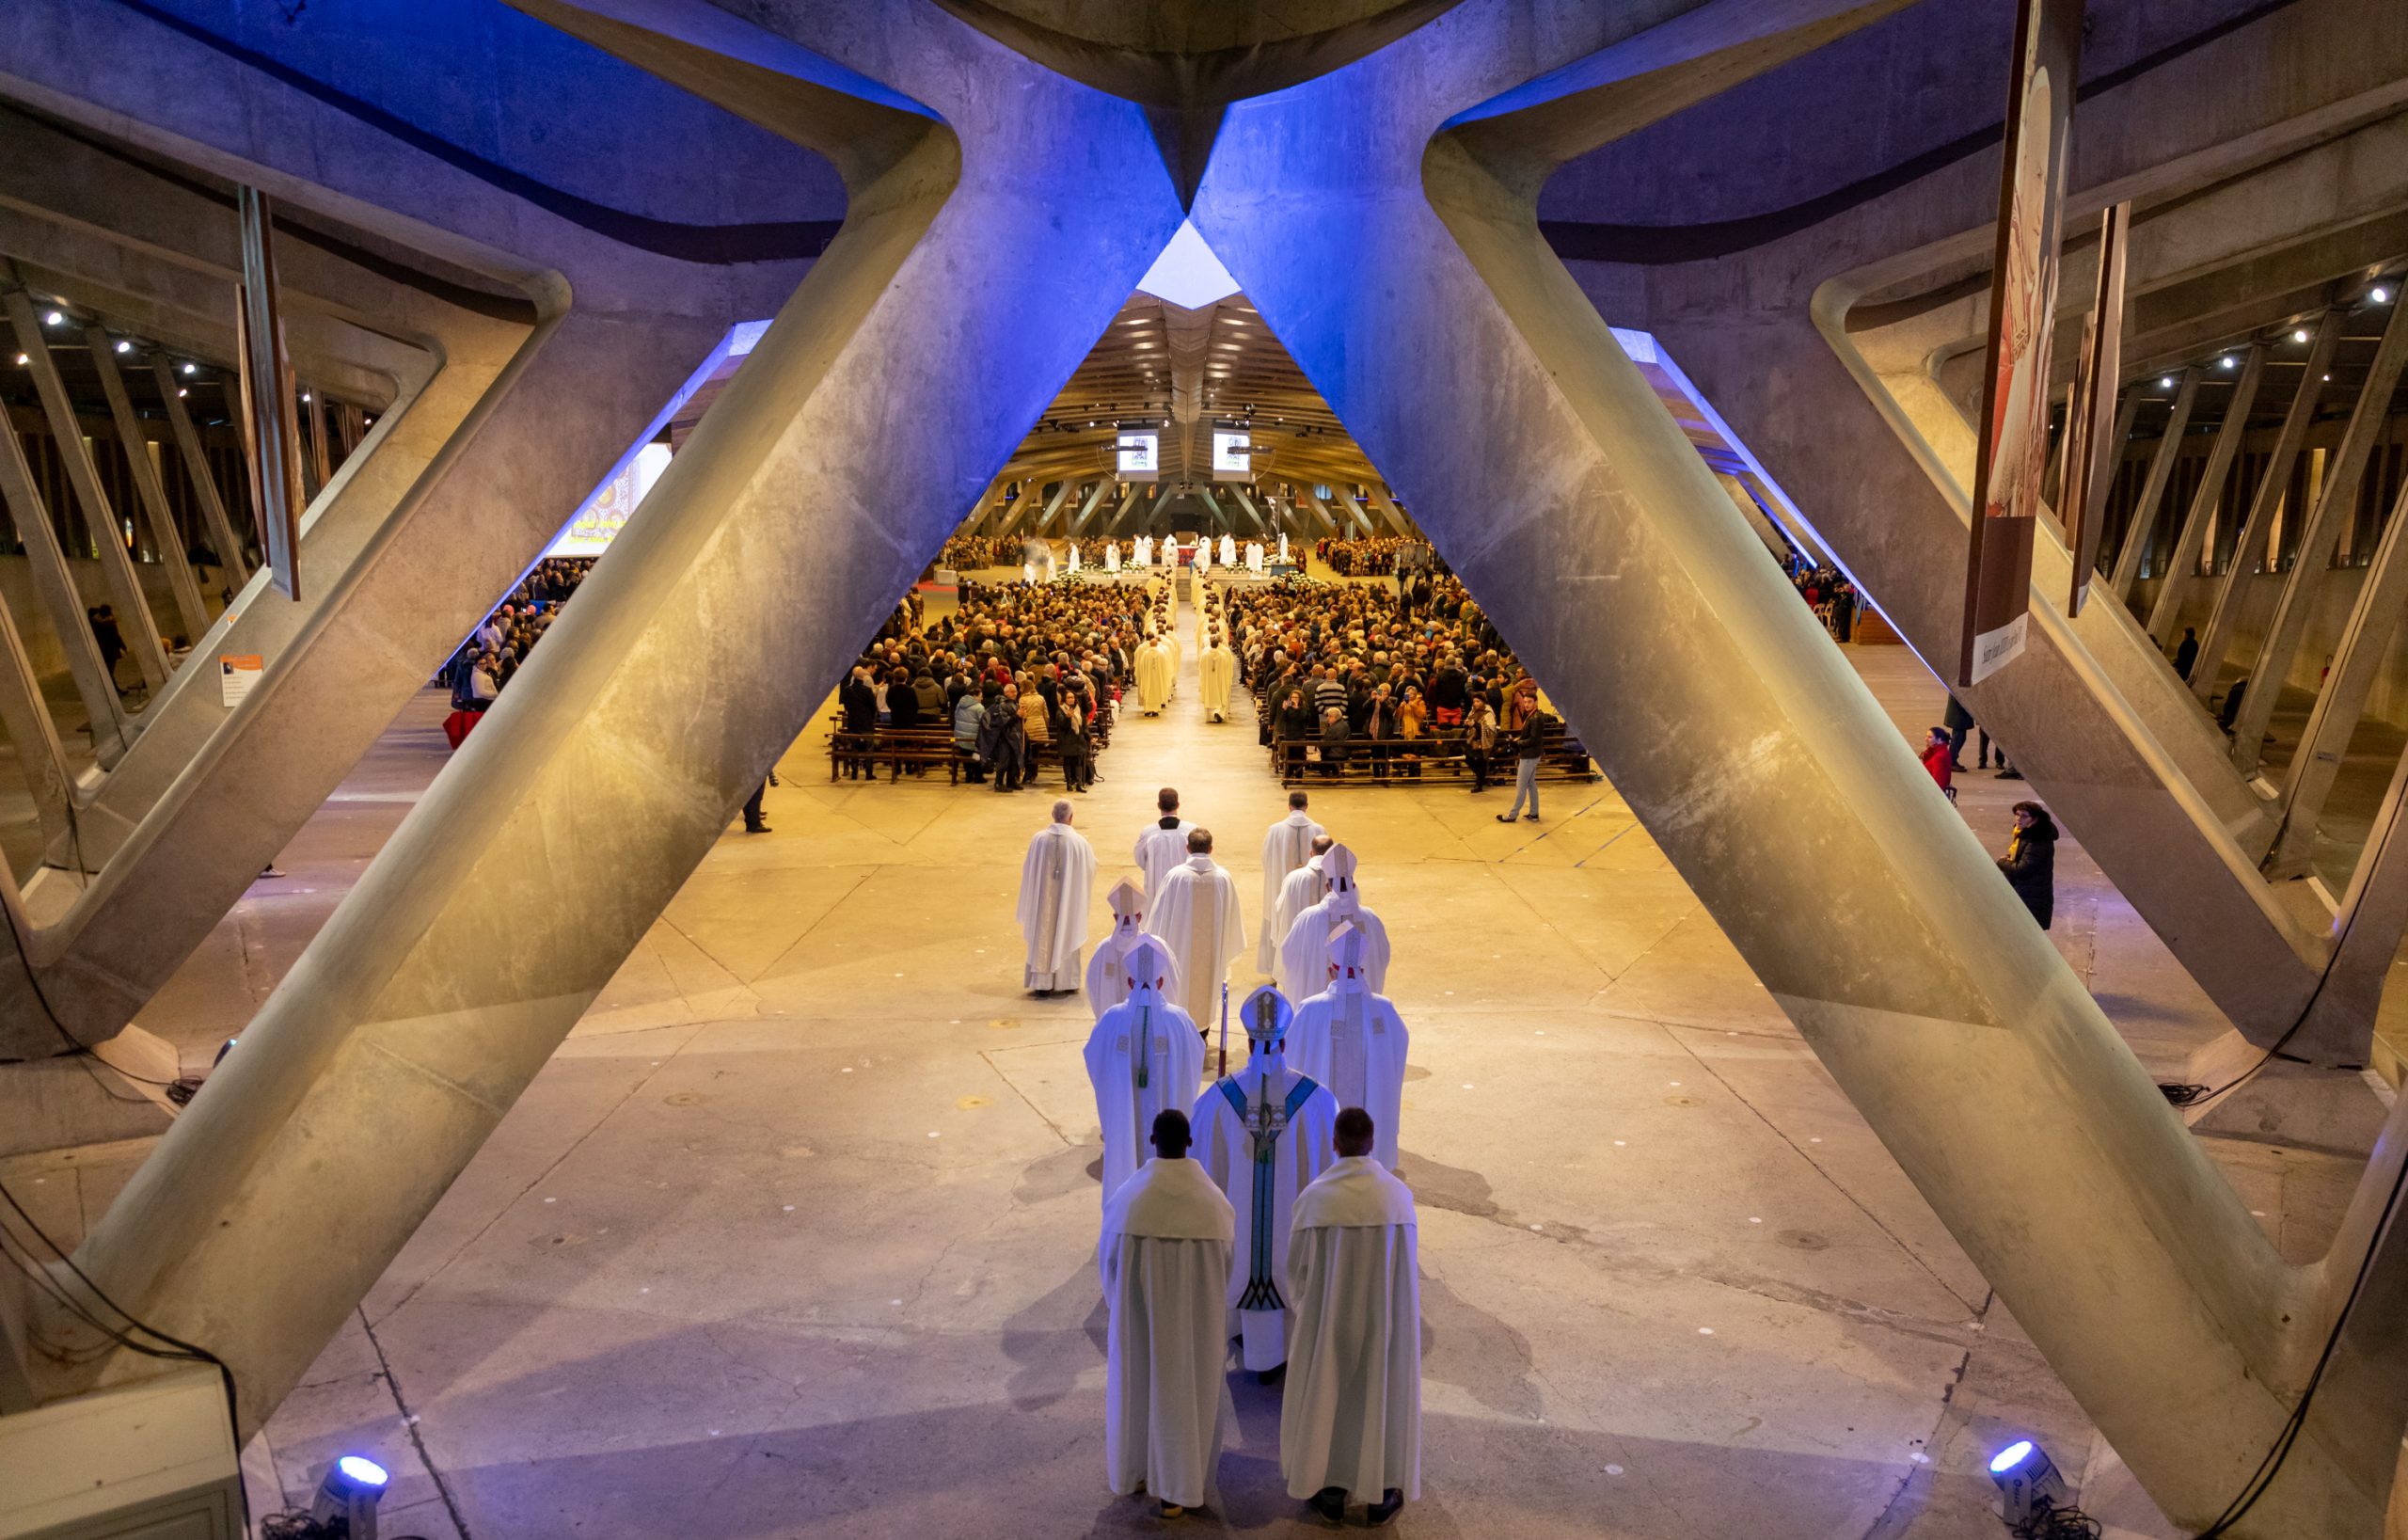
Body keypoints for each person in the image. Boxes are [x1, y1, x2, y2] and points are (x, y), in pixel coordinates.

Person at [1281, 1107, 1420, 1527]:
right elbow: (1407, 1273)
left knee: (1329, 1398)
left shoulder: (1316, 1198)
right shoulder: (1397, 1197)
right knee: (1379, 1396)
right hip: (1384, 1323)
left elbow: (1296, 1271)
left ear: (1335, 1143)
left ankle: (1329, 1490)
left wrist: (1311, 1313)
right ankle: (1379, 1493)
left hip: (1329, 1323)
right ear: (1372, 1143)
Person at [1190, 986, 1339, 1374]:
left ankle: (1243, 1330)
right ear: (1286, 1040)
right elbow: (1331, 1168)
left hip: (1238, 1252)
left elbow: (1200, 1159)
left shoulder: (1219, 1098)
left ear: (1250, 1039)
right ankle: (1291, 1345)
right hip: (1295, 1239)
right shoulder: (1319, 1101)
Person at [1101, 1109, 1234, 1520]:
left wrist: (1123, 1306)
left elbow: (1109, 1266)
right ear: (1190, 1142)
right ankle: (1175, 1489)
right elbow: (1226, 1265)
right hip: (1194, 1321)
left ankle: (1137, 1472)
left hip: (1139, 1316)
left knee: (1139, 1385)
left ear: (1152, 1141)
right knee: (1183, 1395)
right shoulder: (1214, 1205)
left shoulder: (1127, 1200)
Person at [1084, 939, 1205, 1212]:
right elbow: (1195, 1060)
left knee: (1126, 1158)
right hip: (1167, 1121)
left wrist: (1116, 1088)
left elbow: (1094, 1060)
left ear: (1129, 982)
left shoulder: (1112, 1020)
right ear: (1161, 982)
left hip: (1124, 1121)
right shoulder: (1180, 1021)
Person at [1288, 924, 1407, 1169]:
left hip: (1321, 1139)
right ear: (1362, 969)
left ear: (1331, 970)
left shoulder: (1311, 1010)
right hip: (1371, 1118)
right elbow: (1398, 1053)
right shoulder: (1384, 1010)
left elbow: (1291, 1060)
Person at [1150, 828, 1246, 1030]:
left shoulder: (1175, 877)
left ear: (1187, 848)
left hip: (1179, 954)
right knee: (1205, 995)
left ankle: (1180, 1034)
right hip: (1210, 957)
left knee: (1180, 993)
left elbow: (1159, 916)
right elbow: (1233, 919)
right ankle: (1202, 1035)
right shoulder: (1223, 878)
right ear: (1211, 849)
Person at [1278, 845, 1390, 1005]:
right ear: (1353, 885)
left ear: (1327, 887)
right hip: (1361, 1009)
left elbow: (1289, 958)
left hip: (1317, 1012)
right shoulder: (1371, 919)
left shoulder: (1307, 919)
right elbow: (1382, 958)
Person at [1019, 800, 1097, 996]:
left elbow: (1028, 868)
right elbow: (1090, 868)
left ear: (1052, 815)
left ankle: (1042, 982)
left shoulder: (1038, 839)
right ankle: (1067, 981)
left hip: (1042, 901)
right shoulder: (1079, 842)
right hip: (1067, 900)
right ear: (1071, 817)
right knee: (1066, 926)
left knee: (1043, 929)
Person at [1087, 881, 1185, 1021]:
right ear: (1139, 916)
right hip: (1152, 1025)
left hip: (1114, 1025)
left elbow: (1093, 988)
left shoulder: (1103, 949)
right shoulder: (1157, 946)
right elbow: (1174, 981)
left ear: (1115, 918)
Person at [1258, 792, 1326, 973]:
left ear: (1289, 806)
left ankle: (1279, 969)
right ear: (1306, 806)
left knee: (1283, 920)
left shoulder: (1275, 830)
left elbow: (1266, 859)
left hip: (1282, 886)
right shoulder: (1319, 830)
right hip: (1313, 889)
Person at [1273, 835, 1334, 966]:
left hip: (1300, 951)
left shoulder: (1293, 878)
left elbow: (1281, 910)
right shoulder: (1342, 880)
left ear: (1311, 853)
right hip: (1331, 954)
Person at [1998, 801, 2057, 929]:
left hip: (2032, 898)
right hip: (2027, 894)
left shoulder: (2037, 840)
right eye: (2017, 815)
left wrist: (2002, 863)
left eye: (2024, 816)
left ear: (2034, 819)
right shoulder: (2025, 834)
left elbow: (2023, 869)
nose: (2019, 819)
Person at [1496, 689, 1551, 823]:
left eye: (1529, 702)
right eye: (1525, 702)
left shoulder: (1536, 718)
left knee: (1521, 786)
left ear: (1536, 702)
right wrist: (1519, 739)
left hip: (1529, 756)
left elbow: (1534, 740)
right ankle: (1534, 813)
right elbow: (1530, 736)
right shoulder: (1532, 715)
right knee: (1531, 784)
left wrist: (1518, 743)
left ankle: (1512, 815)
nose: (1526, 704)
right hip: (1531, 754)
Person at [978, 684, 1027, 792]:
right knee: (1003, 761)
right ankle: (998, 783)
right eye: (1012, 691)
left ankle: (1011, 781)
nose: (1015, 693)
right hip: (1004, 737)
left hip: (1014, 736)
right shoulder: (1001, 705)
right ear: (1006, 693)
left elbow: (1018, 721)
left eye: (1015, 691)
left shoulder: (1015, 704)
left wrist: (1023, 716)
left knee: (1014, 761)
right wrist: (1017, 716)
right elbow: (1003, 722)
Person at [1198, 628, 1235, 723]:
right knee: (1221, 694)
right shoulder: (1224, 654)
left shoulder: (1205, 653)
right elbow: (1228, 666)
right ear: (1220, 642)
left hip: (1208, 679)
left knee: (1210, 695)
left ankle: (1211, 716)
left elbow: (1201, 667)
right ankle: (1219, 712)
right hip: (1221, 678)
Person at [1464, 695, 1498, 792]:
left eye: (1478, 701)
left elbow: (1490, 729)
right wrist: (1467, 724)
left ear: (1483, 702)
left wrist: (1475, 724)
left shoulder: (1488, 713)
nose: (1475, 703)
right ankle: (1482, 778)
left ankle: (1479, 784)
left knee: (1481, 762)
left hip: (1484, 742)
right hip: (1473, 742)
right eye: (1474, 701)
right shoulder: (1472, 712)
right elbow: (1469, 727)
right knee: (1468, 759)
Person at [1135, 632, 1175, 716]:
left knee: (1148, 691)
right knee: (1156, 691)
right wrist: (1164, 677)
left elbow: (1142, 666)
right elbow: (1165, 667)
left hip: (1147, 677)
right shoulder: (1161, 653)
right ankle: (1155, 710)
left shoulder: (1145, 654)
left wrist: (1142, 675)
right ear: (1157, 644)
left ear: (1149, 644)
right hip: (1157, 677)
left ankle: (1148, 710)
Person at [953, 686, 987, 783]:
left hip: (960, 738)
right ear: (975, 696)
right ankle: (978, 777)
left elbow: (956, 717)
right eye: (981, 696)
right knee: (976, 756)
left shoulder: (960, 704)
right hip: (973, 739)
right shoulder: (979, 707)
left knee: (965, 755)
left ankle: (969, 775)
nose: (982, 698)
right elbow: (984, 723)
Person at [1941, 695, 1974, 771]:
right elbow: (1961, 696)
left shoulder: (1962, 683)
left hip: (1958, 713)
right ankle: (1952, 762)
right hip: (1959, 714)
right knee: (1957, 739)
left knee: (1960, 738)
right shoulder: (1962, 683)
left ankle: (1953, 760)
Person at [1921, 726, 1955, 799]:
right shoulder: (1942, 751)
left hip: (1933, 795)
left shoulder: (1938, 757)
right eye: (1926, 736)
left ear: (1940, 740)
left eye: (1930, 737)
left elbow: (1938, 780)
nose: (1926, 739)